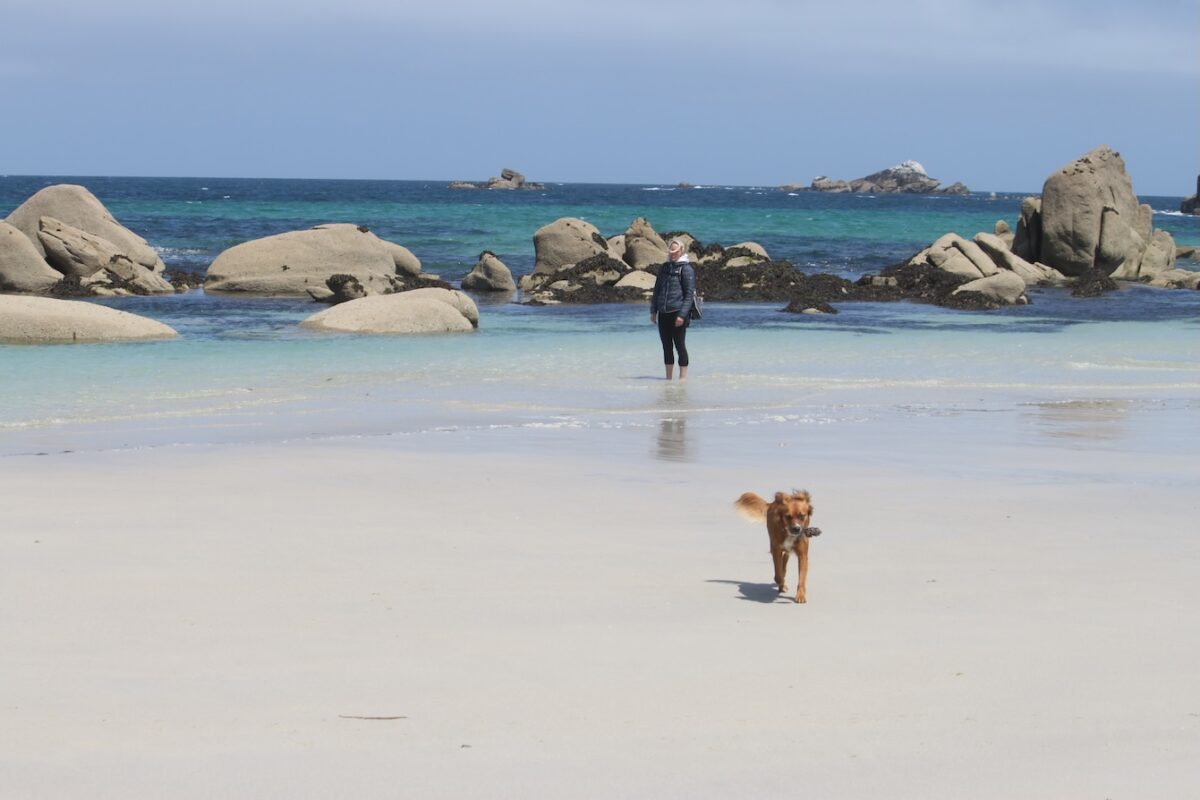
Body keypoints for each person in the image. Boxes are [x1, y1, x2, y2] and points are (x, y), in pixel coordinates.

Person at [650, 239, 696, 381]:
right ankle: (668, 380)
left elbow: (689, 294)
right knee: (666, 347)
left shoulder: (686, 269)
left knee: (680, 346)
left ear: (681, 251)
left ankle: (682, 380)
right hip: (663, 312)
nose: (673, 254)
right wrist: (653, 310)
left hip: (678, 312)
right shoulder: (664, 267)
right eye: (671, 251)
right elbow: (657, 290)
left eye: (676, 252)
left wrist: (682, 315)